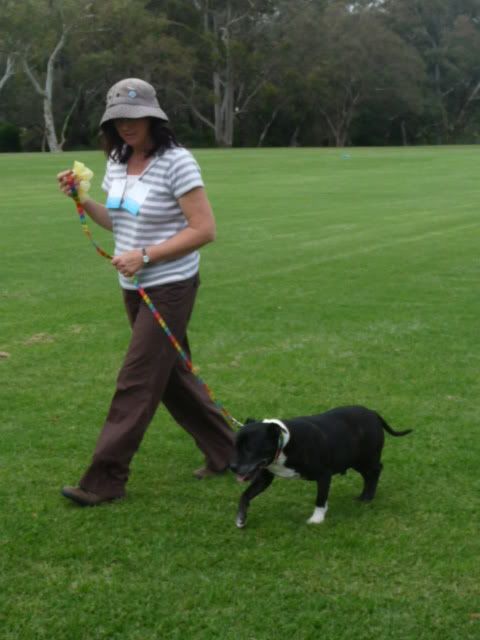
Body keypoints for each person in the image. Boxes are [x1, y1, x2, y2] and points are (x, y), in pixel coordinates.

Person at [57, 78, 235, 506]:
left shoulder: (178, 162)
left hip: (169, 287)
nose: (125, 125)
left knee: (136, 380)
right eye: (117, 118)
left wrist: (147, 256)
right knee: (171, 377)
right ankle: (230, 452)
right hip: (133, 288)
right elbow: (119, 223)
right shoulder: (118, 162)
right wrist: (81, 199)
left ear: (153, 116)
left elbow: (204, 229)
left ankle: (104, 480)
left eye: (133, 116)